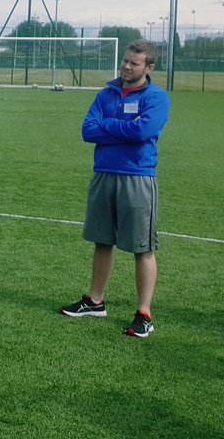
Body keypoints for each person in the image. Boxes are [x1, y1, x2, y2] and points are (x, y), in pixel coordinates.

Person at [59, 39, 170, 339]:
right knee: (101, 240)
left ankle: (144, 314)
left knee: (142, 248)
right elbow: (87, 130)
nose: (126, 66)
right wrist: (123, 127)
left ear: (149, 67)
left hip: (137, 177)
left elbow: (143, 131)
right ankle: (95, 301)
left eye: (134, 63)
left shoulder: (157, 98)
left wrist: (108, 127)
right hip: (103, 175)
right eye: (125, 61)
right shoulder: (106, 94)